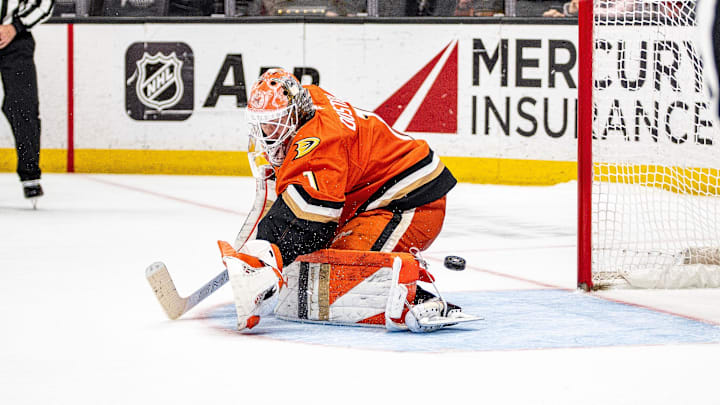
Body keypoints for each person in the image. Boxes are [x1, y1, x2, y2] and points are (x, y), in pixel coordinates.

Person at [220, 68, 471, 332]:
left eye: (274, 122)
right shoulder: (307, 103)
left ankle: (418, 299)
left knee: (336, 268)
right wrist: (254, 255)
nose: (267, 132)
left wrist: (267, 259)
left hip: (412, 202)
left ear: (293, 116)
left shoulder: (319, 143)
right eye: (262, 123)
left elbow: (308, 224)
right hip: (373, 197)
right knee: (304, 266)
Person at [0, 0, 54, 206]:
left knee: (23, 105)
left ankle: (30, 174)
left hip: (16, 41)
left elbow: (44, 4)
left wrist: (15, 27)